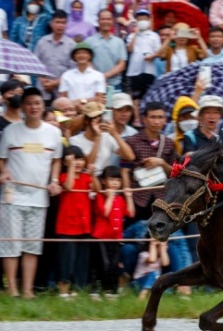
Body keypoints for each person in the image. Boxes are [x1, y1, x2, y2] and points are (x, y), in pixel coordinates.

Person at [0, 86, 63, 299]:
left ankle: (27, 290)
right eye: (29, 103)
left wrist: (54, 181)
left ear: (43, 105)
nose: (33, 107)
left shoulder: (53, 133)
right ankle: (12, 289)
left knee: (32, 246)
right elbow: (1, 158)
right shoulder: (11, 131)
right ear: (23, 106)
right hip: (12, 195)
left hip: (39, 197)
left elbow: (56, 160)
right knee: (11, 244)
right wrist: (4, 172)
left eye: (37, 103)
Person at [56, 145, 96, 298]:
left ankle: (78, 288)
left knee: (82, 259)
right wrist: (71, 167)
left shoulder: (86, 178)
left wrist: (93, 174)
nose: (78, 163)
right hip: (66, 226)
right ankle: (63, 288)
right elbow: (69, 186)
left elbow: (97, 189)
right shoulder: (63, 177)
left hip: (84, 225)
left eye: (80, 159)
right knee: (67, 258)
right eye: (73, 160)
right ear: (65, 163)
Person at [91, 165, 135, 298]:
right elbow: (105, 212)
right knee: (101, 264)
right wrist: (109, 197)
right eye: (111, 180)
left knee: (114, 264)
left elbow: (131, 213)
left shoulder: (120, 199)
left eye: (118, 180)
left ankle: (110, 290)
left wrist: (128, 196)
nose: (115, 183)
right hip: (101, 237)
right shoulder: (100, 196)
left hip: (116, 238)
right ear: (103, 181)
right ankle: (95, 290)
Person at [70, 101, 135, 175]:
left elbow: (130, 157)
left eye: (102, 118)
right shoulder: (74, 140)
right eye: (96, 119)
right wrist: (97, 138)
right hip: (88, 179)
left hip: (106, 180)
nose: (100, 122)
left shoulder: (107, 137)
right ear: (86, 121)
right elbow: (88, 165)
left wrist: (114, 133)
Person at [126, 9, 161, 124]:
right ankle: (137, 119)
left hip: (149, 70)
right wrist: (136, 33)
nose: (142, 21)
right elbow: (130, 49)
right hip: (134, 70)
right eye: (140, 19)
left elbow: (159, 52)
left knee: (148, 95)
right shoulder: (131, 36)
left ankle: (147, 119)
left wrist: (152, 56)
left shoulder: (154, 36)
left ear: (149, 20)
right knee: (135, 97)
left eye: (145, 19)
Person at [34, 10, 75, 102]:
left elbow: (72, 70)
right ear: (51, 23)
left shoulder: (71, 45)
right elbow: (36, 64)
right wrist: (43, 81)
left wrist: (55, 83)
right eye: (57, 22)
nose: (60, 25)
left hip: (62, 91)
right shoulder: (42, 42)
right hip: (42, 89)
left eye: (63, 23)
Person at [86, 9, 128, 91]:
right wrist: (98, 78)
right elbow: (87, 62)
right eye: (103, 19)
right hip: (94, 85)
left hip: (113, 85)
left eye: (108, 19)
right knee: (95, 104)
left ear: (112, 21)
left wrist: (105, 76)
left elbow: (122, 65)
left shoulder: (119, 42)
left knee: (110, 103)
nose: (106, 22)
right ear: (98, 21)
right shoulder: (89, 41)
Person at [58, 42, 106, 109]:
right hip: (71, 111)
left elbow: (99, 98)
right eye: (78, 53)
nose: (81, 55)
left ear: (90, 56)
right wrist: (75, 104)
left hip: (92, 111)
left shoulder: (98, 75)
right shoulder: (66, 75)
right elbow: (63, 98)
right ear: (74, 56)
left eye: (84, 53)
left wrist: (81, 101)